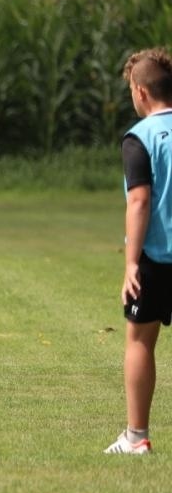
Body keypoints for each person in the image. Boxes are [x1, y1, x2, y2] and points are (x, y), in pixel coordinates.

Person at [110, 48, 172, 455]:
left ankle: (136, 437)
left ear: (141, 91)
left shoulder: (140, 137)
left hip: (155, 259)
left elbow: (140, 202)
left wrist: (131, 261)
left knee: (139, 341)